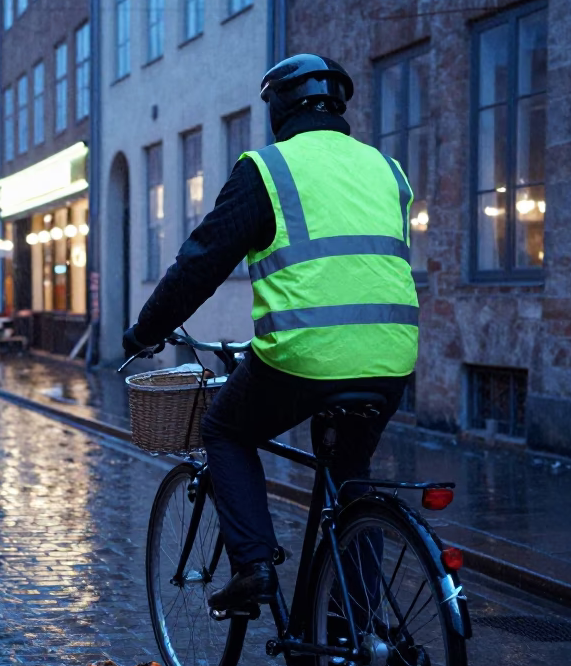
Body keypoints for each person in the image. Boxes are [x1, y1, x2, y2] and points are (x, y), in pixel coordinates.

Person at [123, 54, 418, 612]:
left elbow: (201, 263)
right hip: (392, 355)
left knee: (225, 430)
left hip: (304, 354)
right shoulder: (388, 170)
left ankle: (253, 567)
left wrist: (145, 331)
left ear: (279, 108)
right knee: (349, 472)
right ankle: (356, 632)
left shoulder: (269, 169)